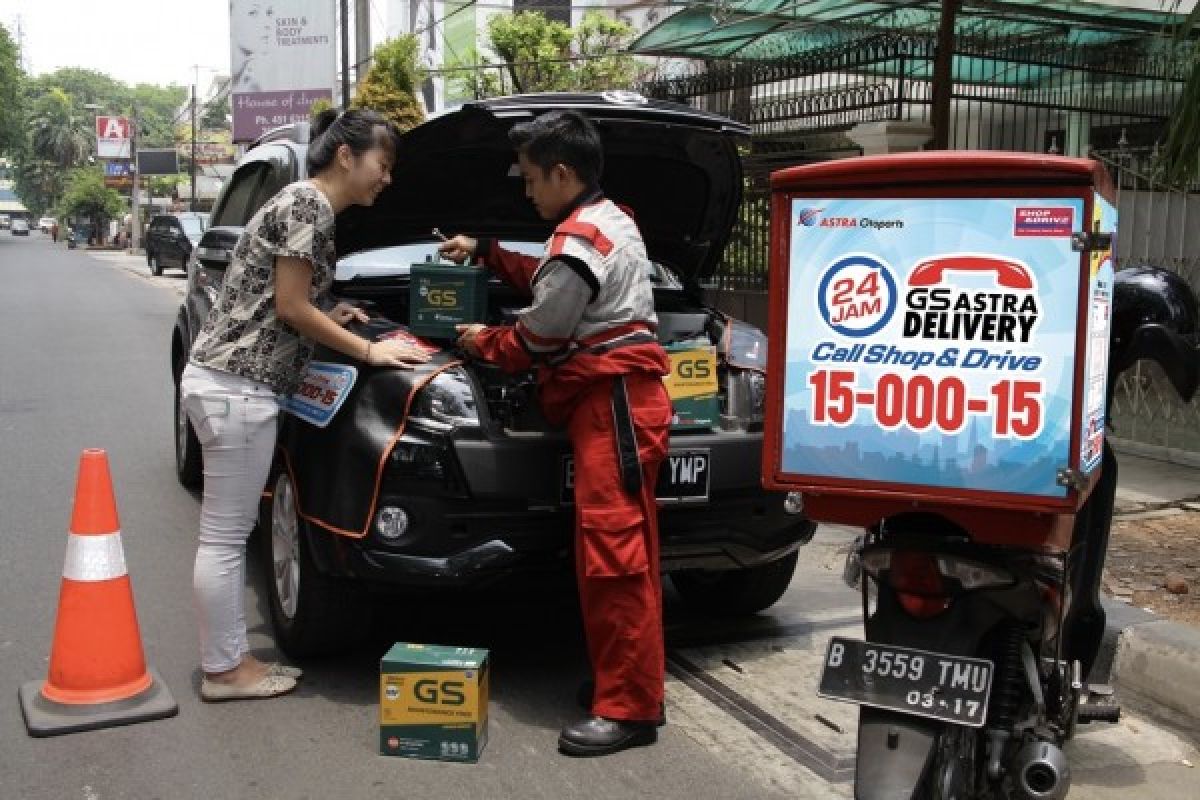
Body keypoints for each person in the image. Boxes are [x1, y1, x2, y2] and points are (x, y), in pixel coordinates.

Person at [438, 110, 672, 756]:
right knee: (626, 554)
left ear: (564, 173)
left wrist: (481, 340)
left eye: (534, 178)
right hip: (621, 403)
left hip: (612, 406)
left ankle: (628, 710)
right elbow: (556, 283)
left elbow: (539, 335)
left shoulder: (579, 241)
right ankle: (631, 684)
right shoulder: (605, 221)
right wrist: (486, 251)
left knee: (615, 559)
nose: (527, 191)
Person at [180, 108, 431, 702]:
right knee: (225, 537)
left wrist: (332, 312)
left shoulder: (302, 201)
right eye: (382, 164)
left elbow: (287, 301)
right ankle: (225, 670)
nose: (387, 179)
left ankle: (232, 660)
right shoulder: (308, 206)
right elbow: (292, 308)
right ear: (347, 156)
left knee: (227, 532)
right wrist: (369, 355)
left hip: (226, 382)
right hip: (237, 387)